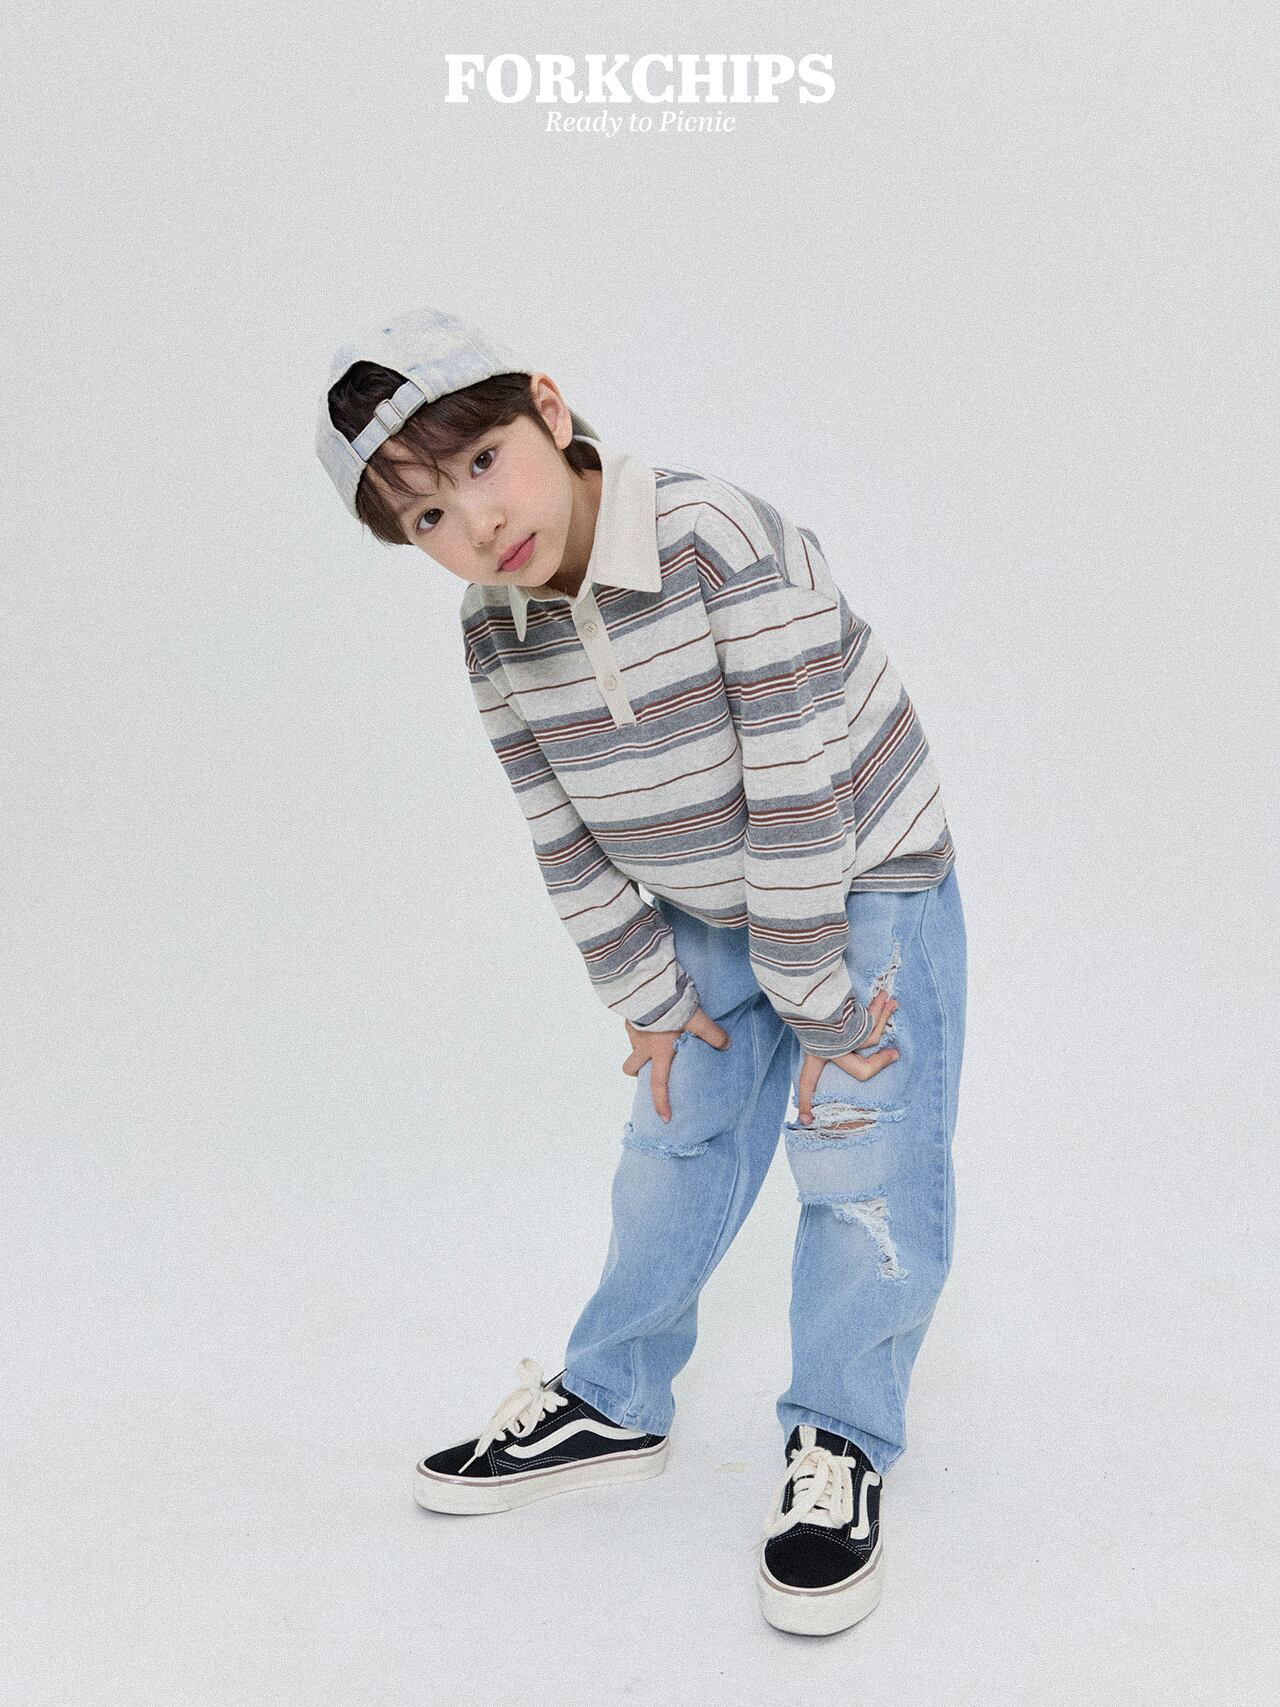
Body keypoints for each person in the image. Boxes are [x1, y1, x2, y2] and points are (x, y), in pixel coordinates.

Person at [315, 307, 967, 1638]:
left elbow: (801, 786)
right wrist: (649, 996)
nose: (478, 522)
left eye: (483, 462)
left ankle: (842, 1435)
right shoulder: (494, 635)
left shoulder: (713, 538)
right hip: (706, 903)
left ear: (549, 411)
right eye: (429, 515)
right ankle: (614, 1398)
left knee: (859, 1157)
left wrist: (820, 1004)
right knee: (670, 1144)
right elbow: (557, 826)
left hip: (860, 879)